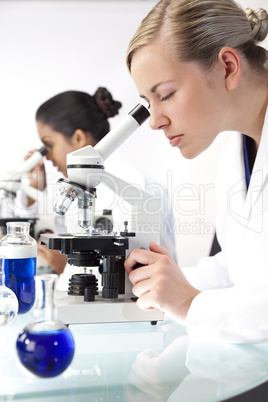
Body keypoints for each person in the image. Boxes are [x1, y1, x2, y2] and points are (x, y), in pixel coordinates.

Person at [124, 0, 268, 343]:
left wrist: (189, 303)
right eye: (148, 102)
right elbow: (243, 268)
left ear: (228, 67)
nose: (155, 121)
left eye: (167, 94)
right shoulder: (236, 152)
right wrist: (162, 283)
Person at [25, 88, 176, 275]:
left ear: (78, 138)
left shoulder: (137, 187)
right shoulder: (81, 186)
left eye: (49, 145)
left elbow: (151, 270)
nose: (47, 157)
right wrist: (34, 190)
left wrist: (66, 269)